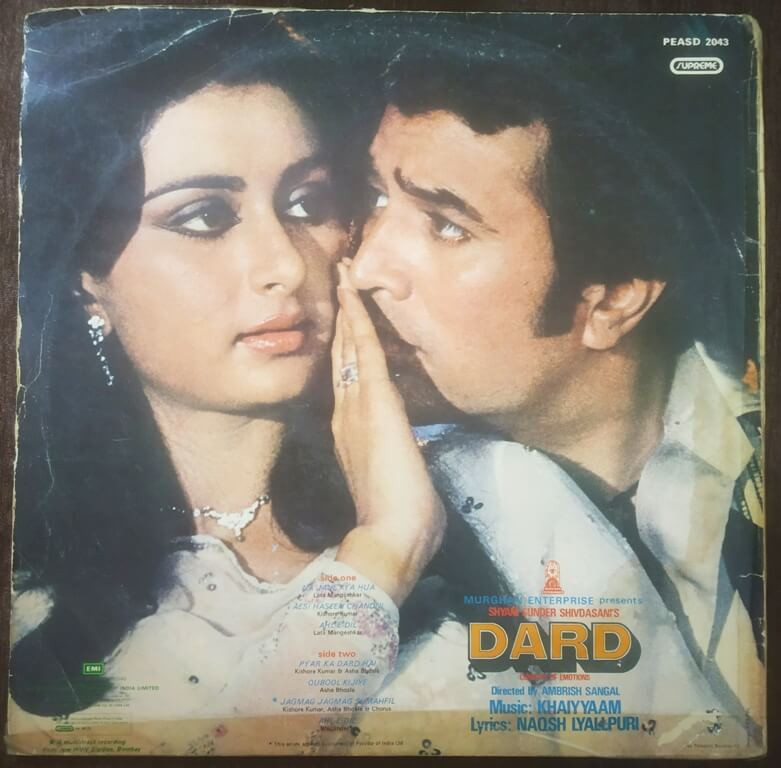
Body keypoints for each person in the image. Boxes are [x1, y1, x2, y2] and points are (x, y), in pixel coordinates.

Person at [8, 10, 445, 737]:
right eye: (204, 217)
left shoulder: (496, 495)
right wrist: (384, 554)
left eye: (307, 203)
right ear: (87, 281)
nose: (284, 264)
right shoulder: (26, 587)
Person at [348, 35, 763, 745]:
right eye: (374, 197)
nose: (364, 267)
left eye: (446, 226)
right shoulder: (350, 512)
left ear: (612, 300)